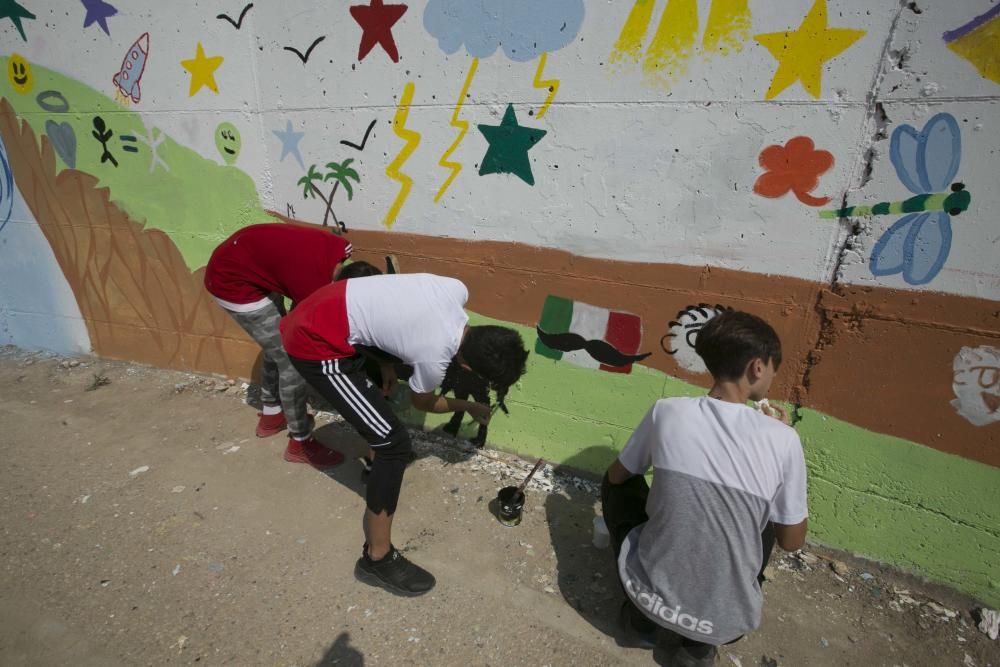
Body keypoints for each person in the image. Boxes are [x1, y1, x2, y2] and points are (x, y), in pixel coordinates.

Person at [280, 273, 528, 596]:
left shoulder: (457, 289)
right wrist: (467, 405)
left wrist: (387, 363)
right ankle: (377, 558)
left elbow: (391, 307)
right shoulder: (434, 356)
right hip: (314, 342)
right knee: (395, 447)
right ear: (469, 369)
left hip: (326, 304)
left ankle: (372, 459)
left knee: (380, 423)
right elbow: (422, 400)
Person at [601, 310, 807, 666]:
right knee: (768, 517)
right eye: (774, 367)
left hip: (646, 597)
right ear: (757, 367)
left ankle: (641, 621)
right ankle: (696, 649)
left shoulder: (667, 411)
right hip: (726, 622)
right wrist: (781, 439)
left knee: (618, 480)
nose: (773, 376)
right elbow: (792, 542)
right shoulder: (784, 439)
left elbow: (618, 477)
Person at [203, 222, 380, 467]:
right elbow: (311, 330)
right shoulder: (311, 286)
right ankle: (300, 443)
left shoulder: (341, 249)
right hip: (231, 282)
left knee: (276, 341)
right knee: (291, 359)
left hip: (248, 264)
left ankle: (272, 415)